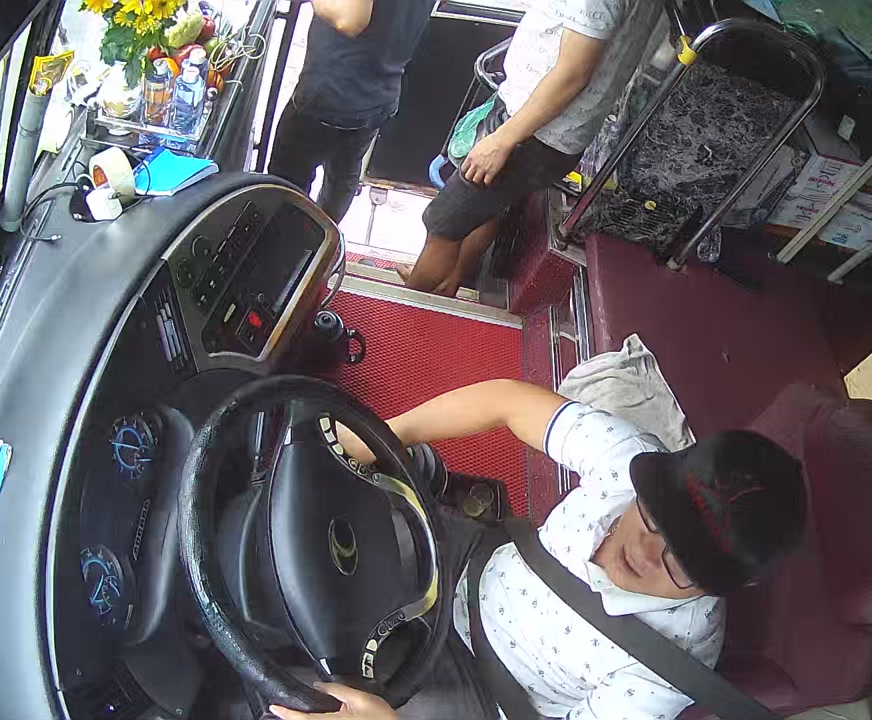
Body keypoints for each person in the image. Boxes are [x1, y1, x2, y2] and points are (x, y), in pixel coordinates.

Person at [270, 379, 808, 720]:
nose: (646, 551)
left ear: (724, 587)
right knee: (301, 516)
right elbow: (505, 401)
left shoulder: (673, 668)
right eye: (654, 514)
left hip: (486, 692)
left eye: (681, 562)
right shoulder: (630, 459)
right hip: (467, 563)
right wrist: (386, 436)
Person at [401, 0, 666, 296]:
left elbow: (571, 74)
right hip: (545, 128)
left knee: (443, 223)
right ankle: (448, 281)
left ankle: (413, 300)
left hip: (534, 131)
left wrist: (502, 140)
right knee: (482, 207)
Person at [267, 0, 435, 222]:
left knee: (285, 181)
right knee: (344, 172)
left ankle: (284, 236)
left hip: (333, 92)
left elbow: (349, 20)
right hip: (381, 92)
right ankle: (324, 234)